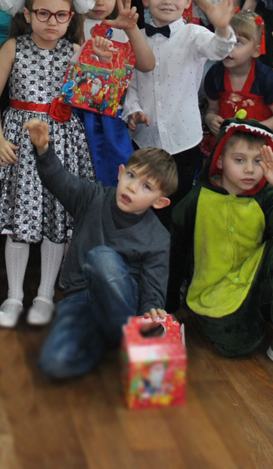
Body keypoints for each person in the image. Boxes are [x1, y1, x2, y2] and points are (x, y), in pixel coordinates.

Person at [26, 117, 175, 380]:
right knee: (54, 364)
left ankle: (120, 337)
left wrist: (150, 315)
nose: (132, 187)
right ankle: (102, 342)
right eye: (131, 176)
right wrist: (43, 150)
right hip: (81, 301)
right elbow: (59, 181)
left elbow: (153, 292)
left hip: (124, 310)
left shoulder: (158, 237)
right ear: (120, 173)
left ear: (160, 202)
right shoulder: (91, 196)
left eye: (146, 187)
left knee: (101, 258)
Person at [169, 119, 273, 381]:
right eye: (239, 160)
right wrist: (166, 304)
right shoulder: (197, 199)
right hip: (214, 292)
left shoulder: (267, 196)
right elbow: (175, 250)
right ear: (219, 160)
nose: (250, 170)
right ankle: (262, 313)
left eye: (258, 161)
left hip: (254, 277)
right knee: (237, 344)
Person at [0, 0, 93, 329]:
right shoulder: (13, 47)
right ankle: (14, 295)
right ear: (28, 14)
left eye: (61, 15)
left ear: (71, 17)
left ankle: (45, 294)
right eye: (43, 13)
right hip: (19, 140)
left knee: (56, 219)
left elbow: (95, 92)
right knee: (19, 217)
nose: (51, 22)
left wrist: (96, 61)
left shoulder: (75, 50)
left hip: (62, 142)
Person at [127, 0, 239, 221]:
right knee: (141, 207)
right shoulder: (136, 37)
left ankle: (174, 248)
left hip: (183, 141)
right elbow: (129, 83)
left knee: (177, 211)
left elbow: (220, 49)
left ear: (188, 1)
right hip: (144, 140)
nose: (168, 1)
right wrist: (133, 110)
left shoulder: (194, 34)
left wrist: (222, 27)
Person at [74, 0, 156, 188]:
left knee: (113, 177)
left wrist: (130, 28)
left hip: (111, 119)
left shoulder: (121, 29)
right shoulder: (70, 27)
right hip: (76, 116)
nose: (100, 2)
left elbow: (147, 64)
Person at [203, 13, 273, 140]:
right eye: (225, 39)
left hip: (261, 141)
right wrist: (210, 118)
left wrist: (252, 130)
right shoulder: (214, 75)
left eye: (238, 42)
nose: (228, 47)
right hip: (228, 140)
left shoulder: (267, 79)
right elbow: (212, 109)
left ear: (256, 51)